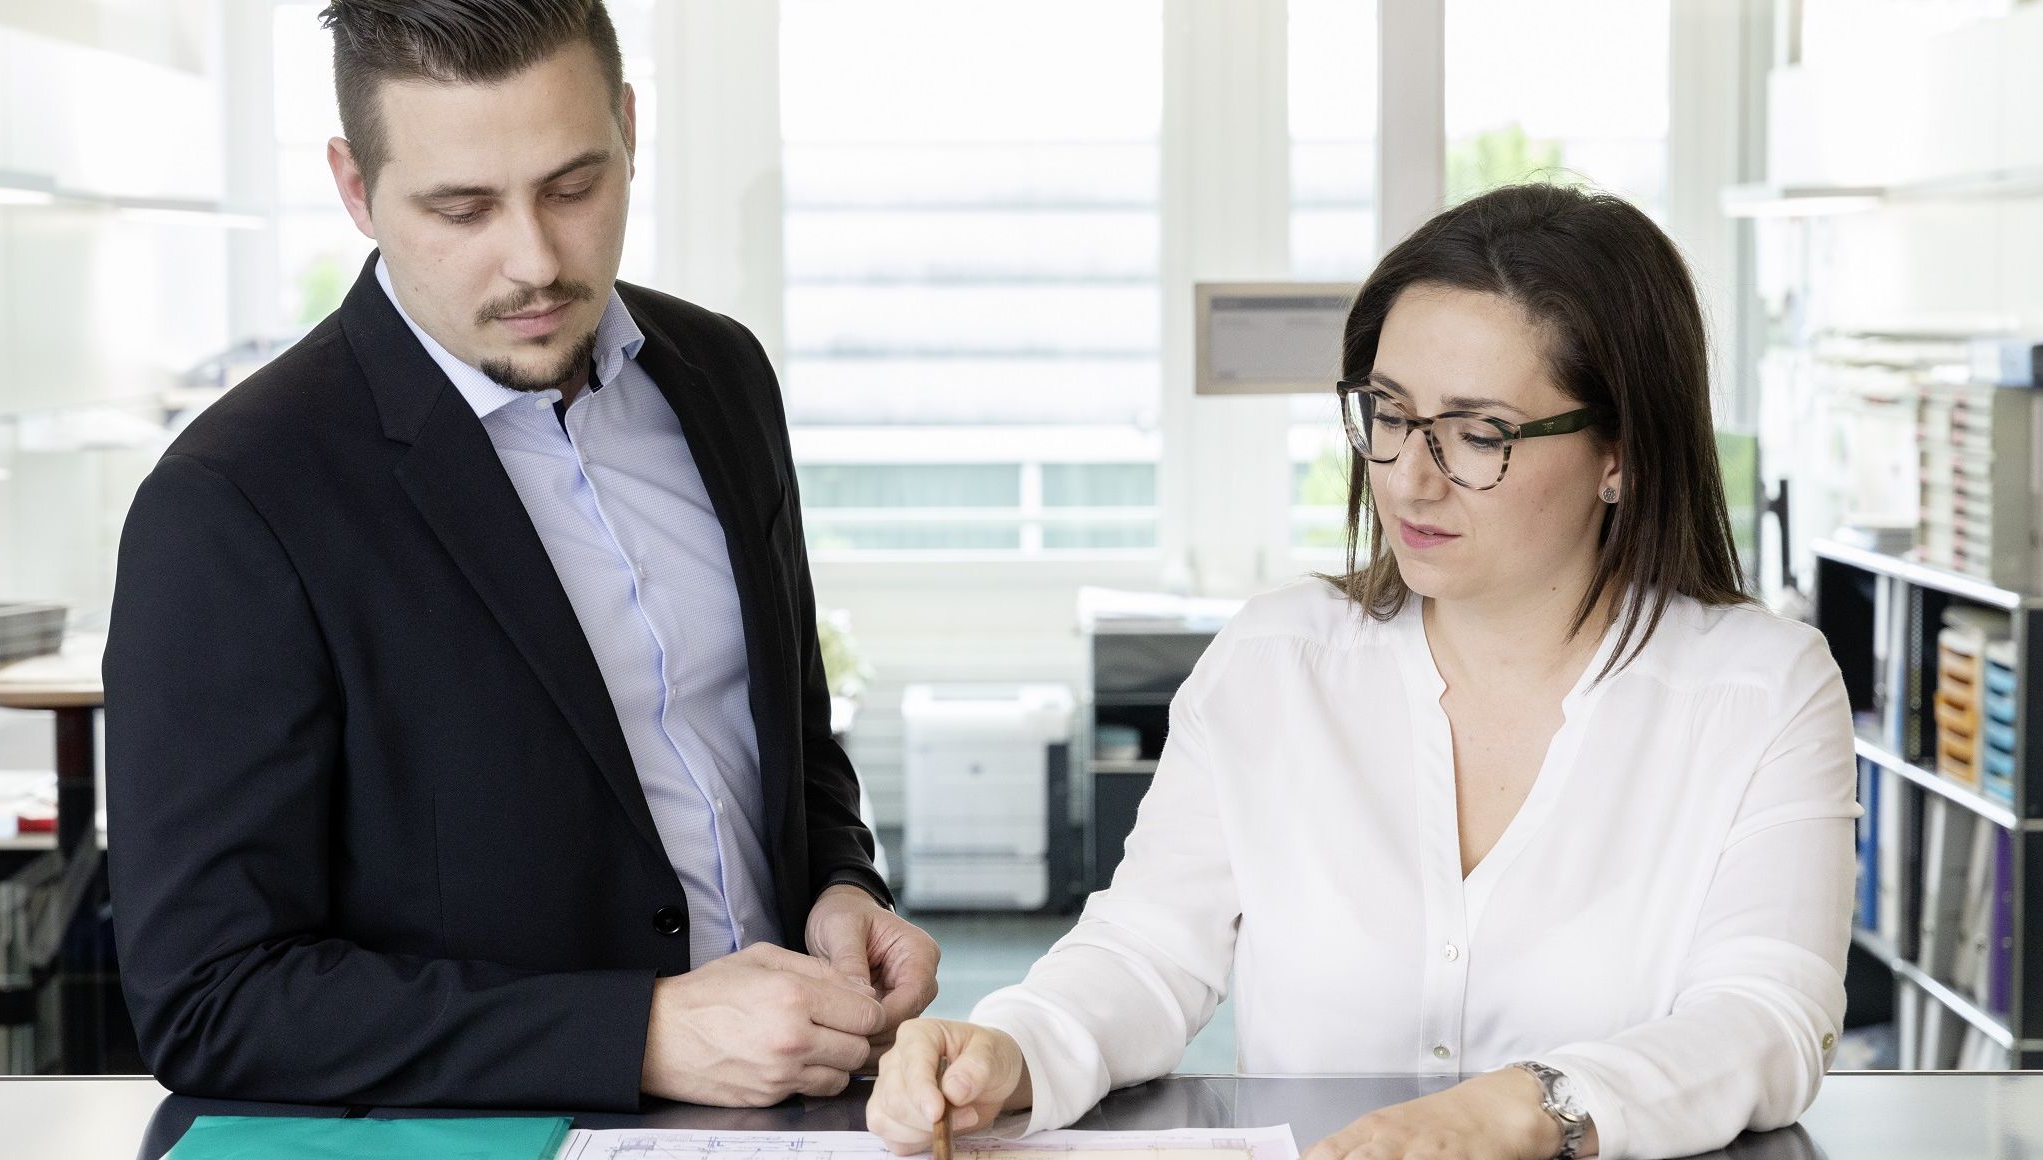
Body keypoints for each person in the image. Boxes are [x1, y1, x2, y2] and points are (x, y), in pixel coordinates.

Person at [867, 183, 1859, 1160]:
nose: (1407, 475)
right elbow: (1145, 950)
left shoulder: (1760, 688)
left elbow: (1766, 1015)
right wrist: (1011, 1043)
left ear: (1621, 455)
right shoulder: (1273, 661)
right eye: (1386, 413)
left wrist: (1528, 1106)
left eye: (1478, 434)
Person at [105, 0, 937, 1112]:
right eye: (462, 208)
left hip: (797, 1116)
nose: (535, 260)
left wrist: (839, 880)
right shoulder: (233, 498)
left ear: (629, 129)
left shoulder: (722, 376)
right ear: (356, 188)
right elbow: (210, 997)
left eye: (572, 186)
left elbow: (777, 735)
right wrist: (636, 1034)